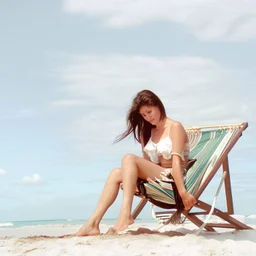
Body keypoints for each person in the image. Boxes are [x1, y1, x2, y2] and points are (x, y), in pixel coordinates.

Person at [75, 89, 197, 236]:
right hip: (157, 179)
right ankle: (92, 224)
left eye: (149, 112)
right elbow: (145, 165)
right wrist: (132, 183)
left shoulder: (175, 127)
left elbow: (177, 162)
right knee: (116, 173)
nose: (147, 118)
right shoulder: (147, 132)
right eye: (144, 115)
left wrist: (183, 193)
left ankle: (126, 214)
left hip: (173, 181)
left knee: (129, 158)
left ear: (158, 105)